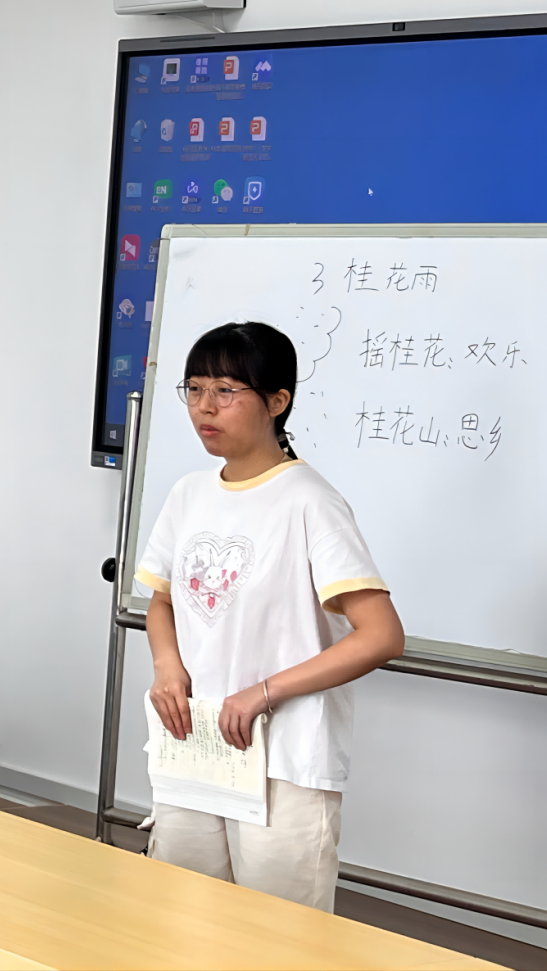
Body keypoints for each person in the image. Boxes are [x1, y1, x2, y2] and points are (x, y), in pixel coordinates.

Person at [134, 322, 405, 911]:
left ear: (277, 401)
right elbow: (162, 601)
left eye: (226, 390)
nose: (205, 406)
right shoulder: (188, 494)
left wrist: (263, 692)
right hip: (195, 744)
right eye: (195, 388)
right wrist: (167, 667)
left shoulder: (310, 500)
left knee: (278, 935)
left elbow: (382, 635)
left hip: (284, 759)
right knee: (181, 917)